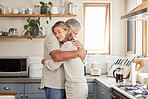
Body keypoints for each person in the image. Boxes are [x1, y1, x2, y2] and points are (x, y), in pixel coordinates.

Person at [40, 19, 85, 99]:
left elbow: (82, 58)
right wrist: (79, 52)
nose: (74, 37)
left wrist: (82, 49)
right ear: (68, 29)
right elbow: (57, 57)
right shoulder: (52, 37)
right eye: (74, 33)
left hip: (70, 84)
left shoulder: (69, 44)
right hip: (54, 84)